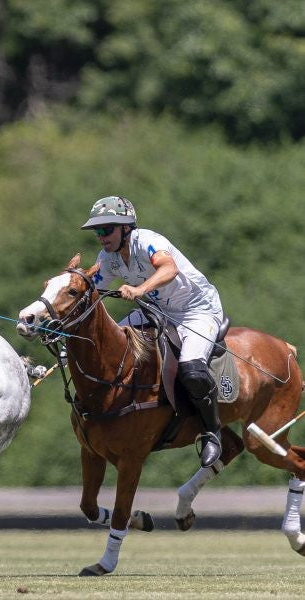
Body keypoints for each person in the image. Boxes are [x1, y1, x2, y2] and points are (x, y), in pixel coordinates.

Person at [81, 196, 225, 468]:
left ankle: (212, 433)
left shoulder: (147, 241)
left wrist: (139, 290)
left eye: (106, 229)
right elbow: (91, 292)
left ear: (126, 228)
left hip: (197, 310)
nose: (101, 237)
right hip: (158, 311)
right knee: (110, 345)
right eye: (97, 231)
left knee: (192, 369)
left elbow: (169, 268)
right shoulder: (108, 259)